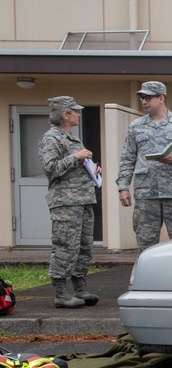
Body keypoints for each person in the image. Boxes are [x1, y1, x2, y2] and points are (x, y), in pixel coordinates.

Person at [116, 81, 172, 252]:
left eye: (148, 98)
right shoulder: (136, 126)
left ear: (161, 98)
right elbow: (127, 158)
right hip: (146, 194)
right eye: (142, 98)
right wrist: (123, 186)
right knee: (146, 243)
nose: (144, 101)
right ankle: (149, 278)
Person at [38, 96, 101, 309]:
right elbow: (50, 168)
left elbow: (75, 164)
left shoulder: (72, 139)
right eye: (76, 111)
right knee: (65, 246)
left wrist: (92, 169)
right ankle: (61, 294)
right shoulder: (52, 139)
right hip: (65, 203)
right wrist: (76, 157)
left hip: (83, 199)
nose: (79, 114)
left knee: (84, 247)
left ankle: (80, 288)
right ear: (66, 114)